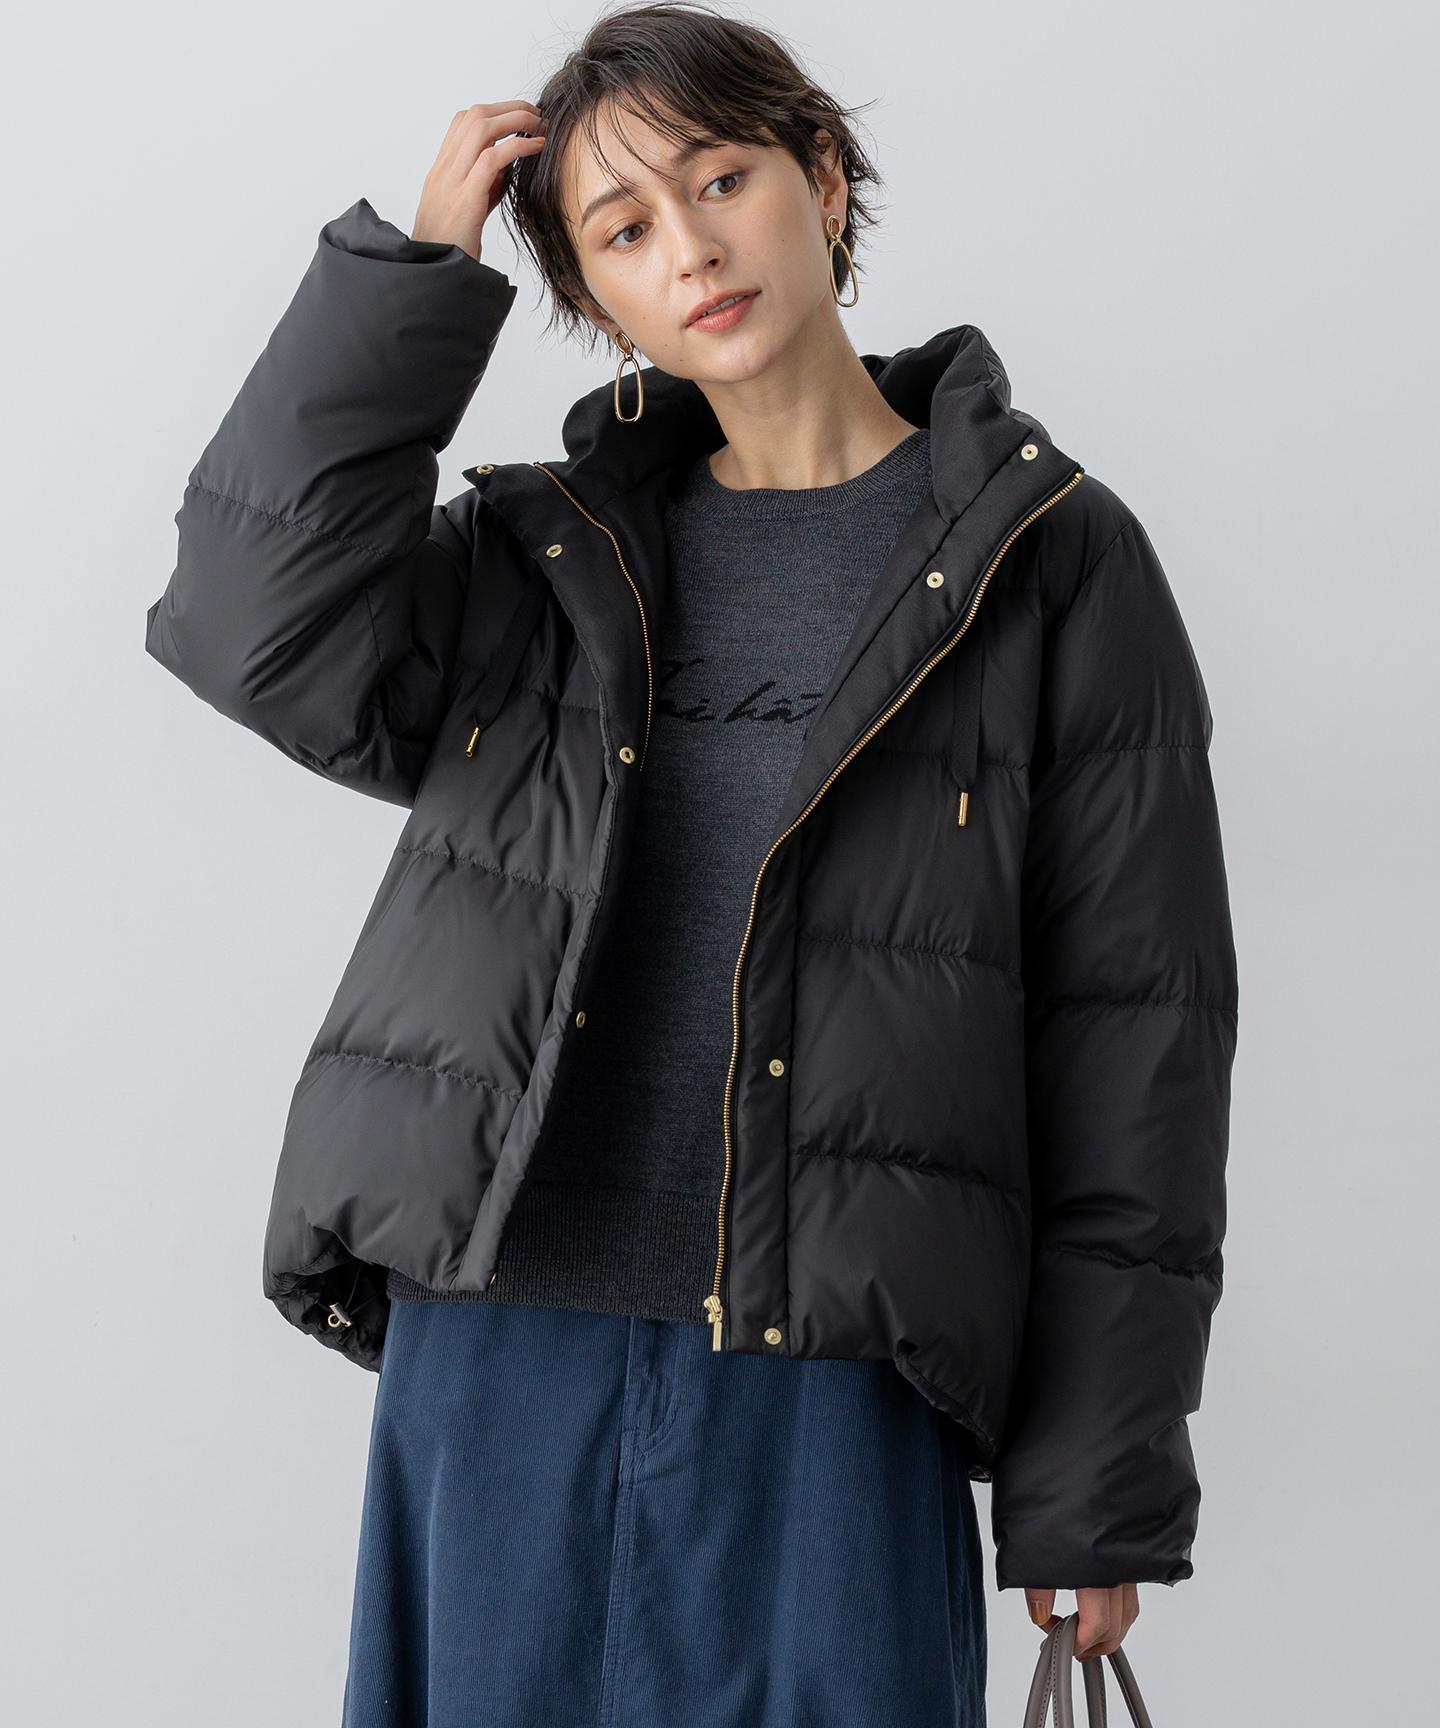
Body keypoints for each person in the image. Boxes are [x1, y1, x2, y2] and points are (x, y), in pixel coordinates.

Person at [144, 5, 1238, 1724]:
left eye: (722, 179)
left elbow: (1134, 1045)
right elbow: (247, 631)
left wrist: (1094, 1488)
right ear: (593, 295)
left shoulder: (1051, 561)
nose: (692, 248)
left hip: (831, 1379)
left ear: (824, 179)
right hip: (499, 1344)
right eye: (623, 227)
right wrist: (413, 282)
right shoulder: (539, 562)